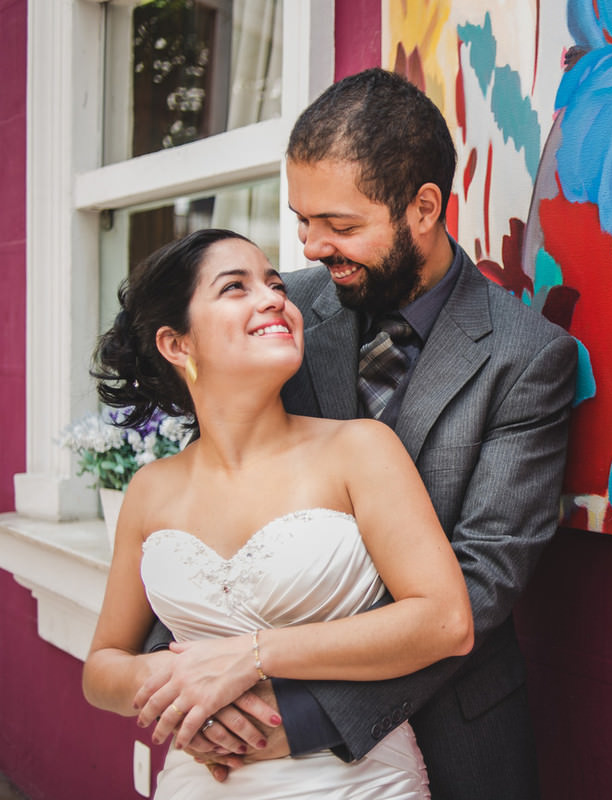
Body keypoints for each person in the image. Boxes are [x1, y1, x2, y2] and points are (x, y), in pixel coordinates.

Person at [188, 68, 578, 799]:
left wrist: (301, 717)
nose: (310, 248)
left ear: (423, 207)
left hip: (454, 735)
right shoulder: (281, 314)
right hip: (244, 735)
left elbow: (483, 581)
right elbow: (199, 494)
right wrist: (184, 676)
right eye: (302, 220)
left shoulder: (527, 357)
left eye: (339, 226)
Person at [82, 228, 475, 798]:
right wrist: (176, 681)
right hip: (200, 782)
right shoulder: (151, 489)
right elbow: (101, 668)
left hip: (353, 781)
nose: (273, 298)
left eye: (274, 284)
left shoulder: (360, 449)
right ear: (177, 344)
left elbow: (445, 621)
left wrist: (248, 657)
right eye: (235, 287)